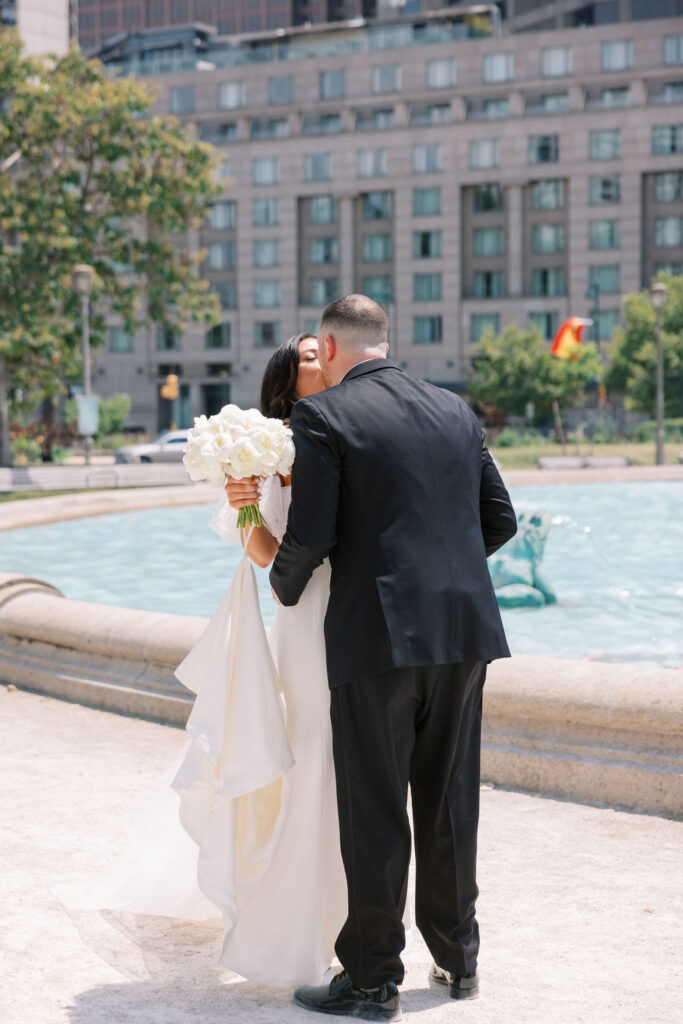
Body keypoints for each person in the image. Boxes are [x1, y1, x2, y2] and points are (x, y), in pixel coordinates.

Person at [54, 332, 349, 990]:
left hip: (354, 618)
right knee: (312, 763)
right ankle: (299, 922)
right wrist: (246, 505)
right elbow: (265, 554)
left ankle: (335, 915)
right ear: (288, 379)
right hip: (306, 619)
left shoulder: (347, 430)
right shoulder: (273, 447)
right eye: (307, 355)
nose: (322, 357)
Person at [269, 296, 517, 1021]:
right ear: (384, 340)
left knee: (374, 806)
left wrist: (281, 588)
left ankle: (373, 978)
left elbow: (311, 535)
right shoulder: (454, 411)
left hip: (375, 634)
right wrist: (447, 574)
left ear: (328, 344)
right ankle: (458, 960)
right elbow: (497, 517)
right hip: (463, 630)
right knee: (448, 802)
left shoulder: (323, 417)